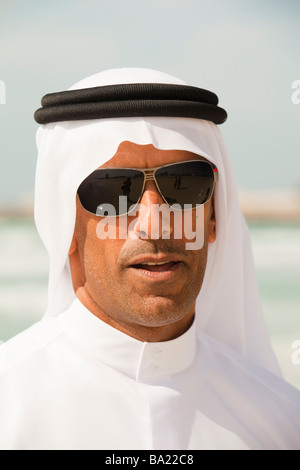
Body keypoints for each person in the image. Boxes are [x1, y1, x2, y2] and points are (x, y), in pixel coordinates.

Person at [0, 68, 299, 450]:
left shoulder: (283, 423)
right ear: (66, 224)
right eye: (114, 190)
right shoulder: (7, 407)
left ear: (213, 216)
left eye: (185, 184)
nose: (155, 225)